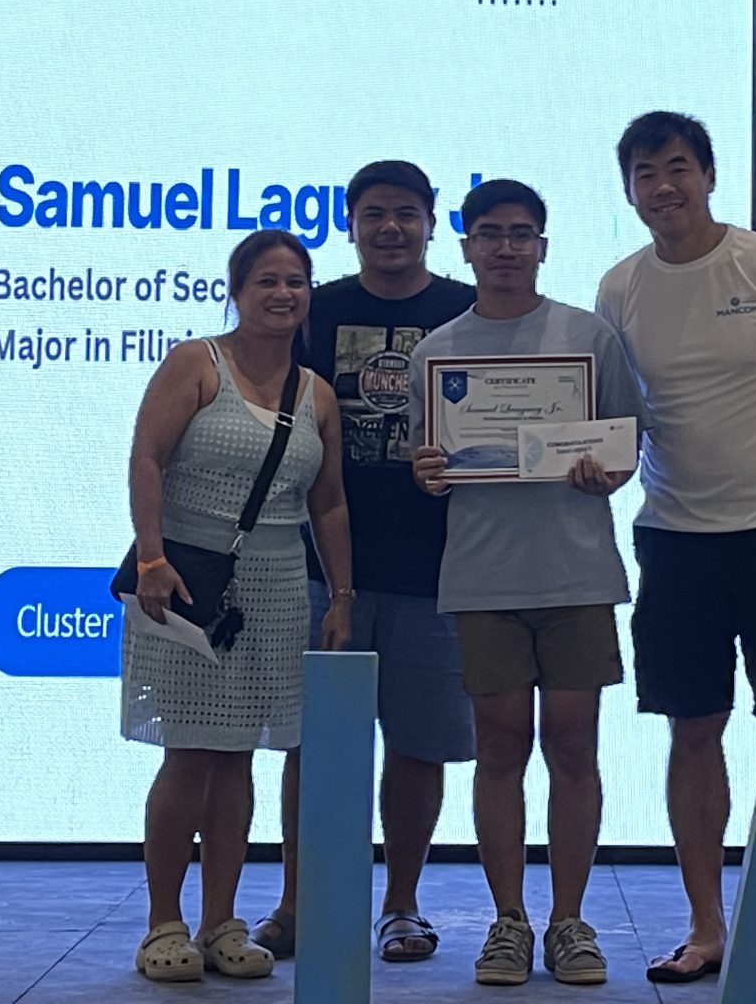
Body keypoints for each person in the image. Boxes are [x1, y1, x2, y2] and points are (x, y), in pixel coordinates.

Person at [595, 111, 756, 990]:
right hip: (675, 541)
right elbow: (617, 416)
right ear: (630, 190)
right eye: (645, 174)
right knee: (692, 728)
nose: (663, 187)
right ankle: (707, 926)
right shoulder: (620, 288)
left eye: (677, 167)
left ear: (707, 175)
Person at [404, 178, 646, 987]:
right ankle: (508, 922)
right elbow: (430, 461)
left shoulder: (589, 337)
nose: (505, 247)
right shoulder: (436, 353)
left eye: (520, 234)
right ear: (465, 246)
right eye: (490, 234)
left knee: (573, 746)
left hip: (576, 574)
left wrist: (604, 471)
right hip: (483, 578)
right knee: (499, 748)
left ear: (542, 246)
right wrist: (429, 472)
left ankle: (569, 922)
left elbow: (624, 446)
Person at [258, 160, 477, 964]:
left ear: (431, 224)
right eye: (375, 213)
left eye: (407, 213)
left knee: (419, 747)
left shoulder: (468, 309)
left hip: (439, 570)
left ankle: (402, 905)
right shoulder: (315, 311)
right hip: (316, 569)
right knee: (311, 745)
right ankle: (297, 903)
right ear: (349, 224)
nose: (391, 227)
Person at [121, 230, 353, 984]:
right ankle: (163, 923)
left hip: (277, 587)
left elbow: (329, 504)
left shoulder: (317, 394)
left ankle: (221, 921)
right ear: (237, 291)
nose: (282, 294)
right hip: (186, 581)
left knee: (239, 754)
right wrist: (150, 556)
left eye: (295, 282)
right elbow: (147, 459)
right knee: (188, 751)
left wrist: (341, 594)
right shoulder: (195, 363)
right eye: (266, 281)